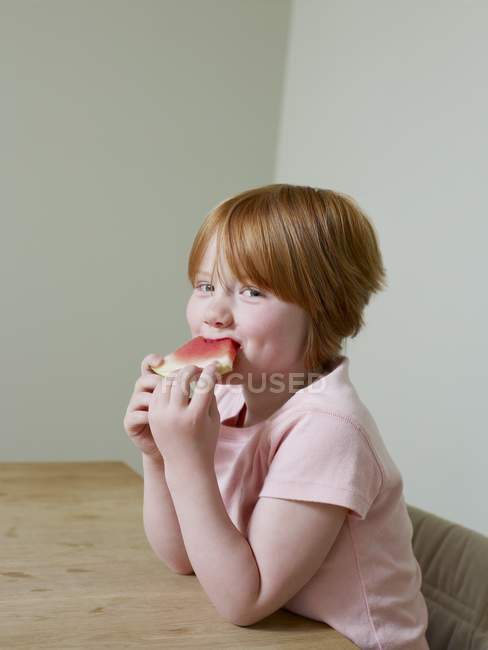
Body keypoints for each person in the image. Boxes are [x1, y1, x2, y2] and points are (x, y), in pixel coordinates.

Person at [124, 184, 429, 649]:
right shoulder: (228, 400)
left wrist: (188, 461)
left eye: (251, 291)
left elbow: (245, 601)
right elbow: (183, 558)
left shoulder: (329, 428)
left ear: (325, 310)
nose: (214, 313)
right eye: (205, 286)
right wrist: (159, 455)